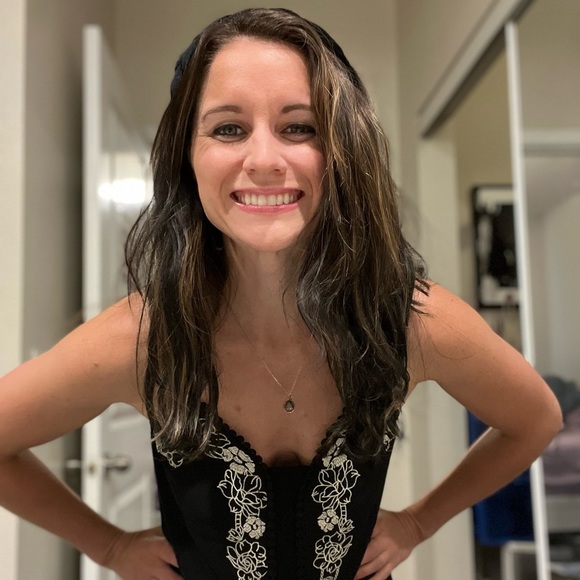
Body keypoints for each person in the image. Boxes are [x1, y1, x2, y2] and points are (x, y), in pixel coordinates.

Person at [0, 8, 562, 580]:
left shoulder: (410, 319)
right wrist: (108, 547)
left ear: (343, 151)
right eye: (228, 129)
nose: (265, 161)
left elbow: (535, 420)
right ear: (187, 156)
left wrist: (419, 522)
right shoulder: (143, 338)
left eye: (299, 128)